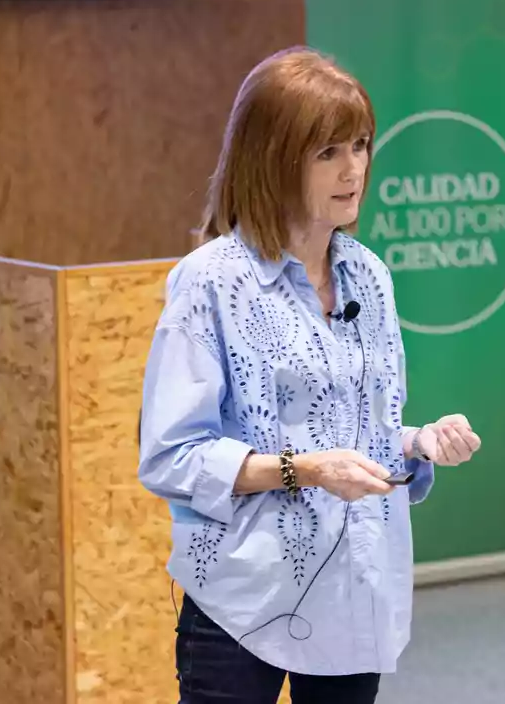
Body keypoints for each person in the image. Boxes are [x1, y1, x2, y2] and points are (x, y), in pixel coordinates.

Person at [138, 47, 481, 704]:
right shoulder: (211, 284)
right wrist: (306, 469)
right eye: (327, 153)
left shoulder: (369, 277)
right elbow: (173, 457)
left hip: (353, 593)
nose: (354, 171)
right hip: (243, 601)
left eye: (360, 146)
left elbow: (358, 432)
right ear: (273, 158)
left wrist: (417, 441)